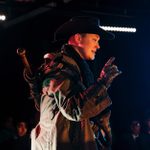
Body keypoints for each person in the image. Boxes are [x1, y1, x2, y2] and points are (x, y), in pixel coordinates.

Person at [24, 16, 122, 150]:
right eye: (95, 39)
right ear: (78, 38)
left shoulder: (74, 70)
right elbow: (74, 111)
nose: (98, 46)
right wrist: (103, 83)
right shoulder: (59, 71)